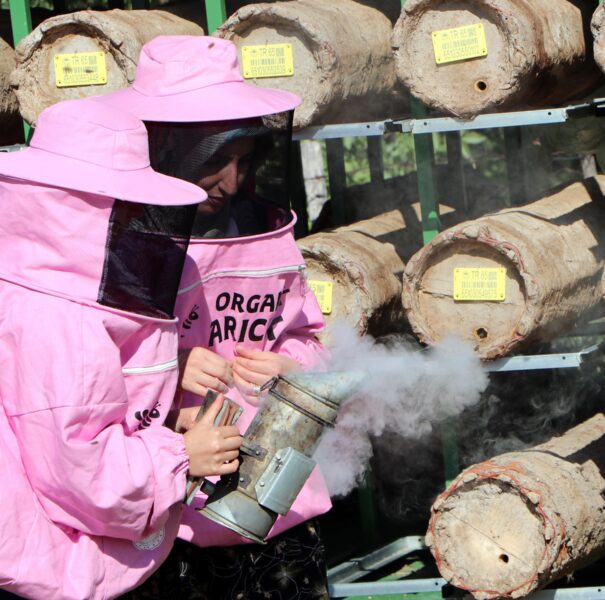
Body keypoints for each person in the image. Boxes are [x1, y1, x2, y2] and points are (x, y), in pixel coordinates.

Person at [100, 36, 332, 599]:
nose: (231, 183)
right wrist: (170, 367)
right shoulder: (111, 245)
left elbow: (308, 337)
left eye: (244, 162)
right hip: (165, 521)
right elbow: (80, 384)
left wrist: (291, 367)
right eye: (213, 162)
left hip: (275, 510)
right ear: (165, 150)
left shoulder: (264, 230)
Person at [0, 98, 243, 599]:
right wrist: (181, 455)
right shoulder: (64, 320)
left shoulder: (22, 281)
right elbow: (83, 473)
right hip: (48, 566)